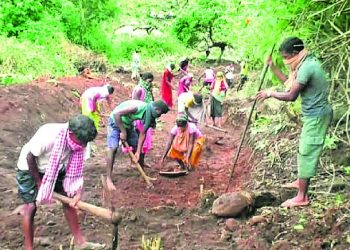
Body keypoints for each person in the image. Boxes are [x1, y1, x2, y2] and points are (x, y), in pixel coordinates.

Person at [256, 37, 333, 208]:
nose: (285, 61)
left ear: (295, 53)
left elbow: (291, 96)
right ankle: (300, 182)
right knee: (303, 148)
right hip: (312, 115)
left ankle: (302, 197)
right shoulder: (303, 64)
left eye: (285, 57)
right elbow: (288, 84)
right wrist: (272, 67)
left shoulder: (307, 67)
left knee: (307, 151)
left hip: (317, 116)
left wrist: (270, 93)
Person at [15, 115, 102, 250]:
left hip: (57, 168)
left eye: (86, 142)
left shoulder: (83, 141)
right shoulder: (48, 134)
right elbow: (30, 157)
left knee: (68, 201)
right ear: (71, 134)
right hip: (29, 168)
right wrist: (40, 183)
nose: (83, 146)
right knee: (31, 207)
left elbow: (78, 172)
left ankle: (81, 243)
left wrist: (77, 193)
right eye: (82, 142)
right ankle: (28, 248)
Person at [106, 100, 169, 190]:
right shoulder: (137, 107)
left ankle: (143, 175)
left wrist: (138, 152)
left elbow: (142, 133)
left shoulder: (149, 115)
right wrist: (123, 131)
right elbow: (117, 114)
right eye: (160, 113)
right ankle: (108, 179)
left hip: (128, 125)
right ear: (156, 109)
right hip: (115, 122)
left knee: (139, 148)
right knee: (113, 148)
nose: (159, 116)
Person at [132, 72, 155, 167]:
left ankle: (142, 162)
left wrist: (151, 91)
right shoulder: (138, 90)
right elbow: (134, 105)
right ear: (144, 80)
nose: (150, 83)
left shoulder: (147, 90)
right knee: (137, 141)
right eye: (149, 81)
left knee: (145, 140)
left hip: (147, 117)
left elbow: (152, 102)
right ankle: (134, 162)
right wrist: (135, 121)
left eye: (151, 82)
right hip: (139, 118)